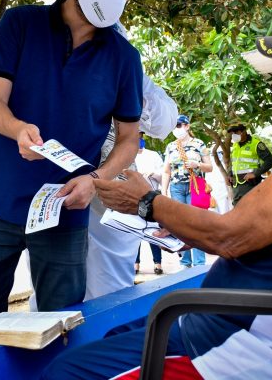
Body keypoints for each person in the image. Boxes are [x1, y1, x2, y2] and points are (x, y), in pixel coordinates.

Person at [42, 9, 272, 379]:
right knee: (116, 335)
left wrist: (147, 203)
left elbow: (227, 237)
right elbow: (255, 232)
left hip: (232, 350)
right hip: (235, 330)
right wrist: (175, 220)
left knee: (67, 371)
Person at [0, 0, 144, 318]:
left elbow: (129, 139)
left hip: (66, 209)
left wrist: (96, 181)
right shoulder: (20, 24)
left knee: (60, 325)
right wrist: (16, 129)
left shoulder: (125, 57)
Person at [84, 77, 176, 300]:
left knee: (108, 289)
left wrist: (130, 94)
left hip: (113, 196)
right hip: (57, 188)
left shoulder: (125, 67)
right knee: (52, 295)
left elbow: (165, 121)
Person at [162, 114, 212, 268]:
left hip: (194, 187)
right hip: (176, 187)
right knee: (180, 225)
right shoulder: (170, 146)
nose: (176, 129)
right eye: (174, 127)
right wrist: (164, 192)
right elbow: (166, 171)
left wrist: (197, 164)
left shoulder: (199, 144)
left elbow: (209, 167)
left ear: (187, 126)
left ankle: (199, 263)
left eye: (178, 125)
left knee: (196, 224)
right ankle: (185, 262)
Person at [133, 131, 166, 275]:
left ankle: (158, 263)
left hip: (152, 197)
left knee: (154, 231)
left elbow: (163, 175)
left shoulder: (153, 155)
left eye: (140, 136)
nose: (138, 138)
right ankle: (135, 264)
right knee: (134, 232)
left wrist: (152, 173)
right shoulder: (127, 155)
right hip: (134, 197)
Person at [226, 122, 272, 205]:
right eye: (233, 133)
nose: (234, 135)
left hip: (250, 184)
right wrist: (230, 174)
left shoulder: (256, 144)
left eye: (236, 132)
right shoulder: (235, 145)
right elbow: (234, 161)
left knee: (251, 210)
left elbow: (270, 161)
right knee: (239, 211)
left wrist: (255, 174)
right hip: (236, 185)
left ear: (244, 131)